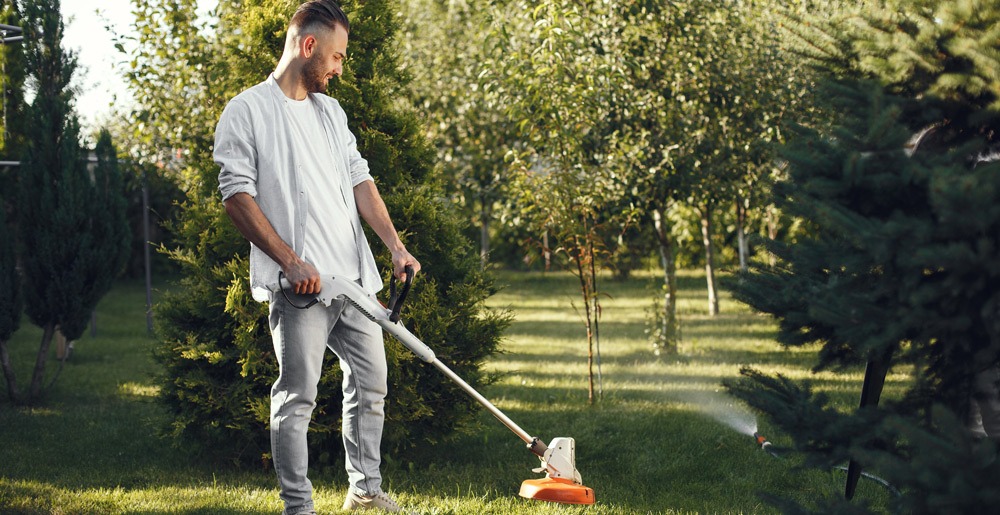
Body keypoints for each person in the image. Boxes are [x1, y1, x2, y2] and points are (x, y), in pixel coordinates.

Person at [214, 1, 420, 513]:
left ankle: (366, 492)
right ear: (309, 46)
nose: (338, 68)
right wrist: (289, 261)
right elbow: (236, 195)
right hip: (301, 289)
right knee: (297, 398)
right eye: (336, 56)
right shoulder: (248, 110)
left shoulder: (331, 112)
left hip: (353, 284)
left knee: (372, 385)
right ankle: (298, 507)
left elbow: (359, 180)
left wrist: (395, 246)